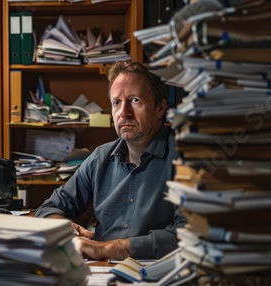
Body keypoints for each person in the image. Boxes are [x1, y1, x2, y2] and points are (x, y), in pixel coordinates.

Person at [34, 61, 186, 260]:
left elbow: (188, 234)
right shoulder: (100, 158)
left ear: (160, 107)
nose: (124, 113)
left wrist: (112, 248)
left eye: (135, 101)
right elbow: (48, 208)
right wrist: (67, 231)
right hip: (100, 272)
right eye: (116, 103)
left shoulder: (184, 160)